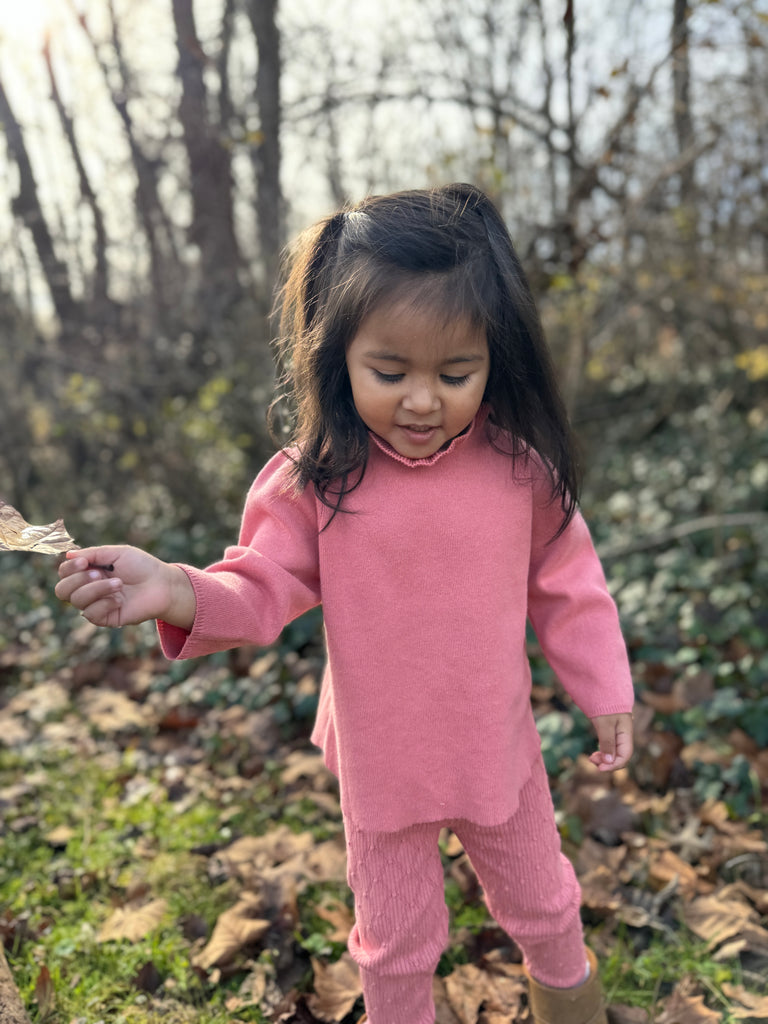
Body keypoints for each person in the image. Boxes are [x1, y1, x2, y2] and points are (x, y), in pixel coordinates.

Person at [56, 183, 634, 1024]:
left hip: (494, 746)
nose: (423, 400)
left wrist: (606, 689)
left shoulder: (520, 471)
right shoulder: (317, 480)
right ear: (338, 355)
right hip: (383, 759)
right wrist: (176, 587)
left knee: (545, 906)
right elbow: (260, 585)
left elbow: (569, 584)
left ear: (495, 357)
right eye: (389, 371)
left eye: (456, 372)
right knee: (394, 944)